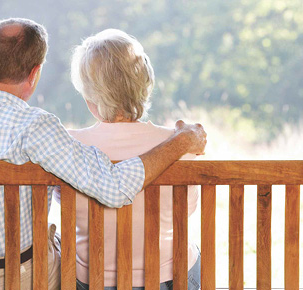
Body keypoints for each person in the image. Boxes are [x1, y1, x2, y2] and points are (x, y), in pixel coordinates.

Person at [0, 18, 207, 290]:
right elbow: (114, 188)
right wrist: (181, 141)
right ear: (35, 74)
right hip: (19, 279)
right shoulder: (35, 127)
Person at [63, 29, 200, 290]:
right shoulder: (181, 144)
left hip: (92, 281)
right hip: (166, 279)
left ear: (90, 95)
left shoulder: (67, 146)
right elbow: (188, 207)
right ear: (145, 83)